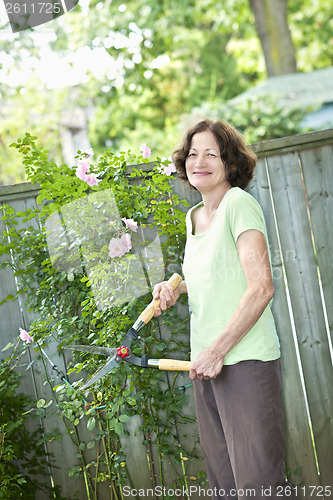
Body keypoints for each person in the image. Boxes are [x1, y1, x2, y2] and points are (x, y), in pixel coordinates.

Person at [152, 119, 298, 500]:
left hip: (244, 361)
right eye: (193, 153)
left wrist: (218, 351)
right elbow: (210, 272)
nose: (199, 161)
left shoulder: (239, 205)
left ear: (230, 162)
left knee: (258, 486)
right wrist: (173, 286)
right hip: (204, 365)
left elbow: (261, 287)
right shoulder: (196, 216)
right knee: (225, 486)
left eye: (211, 154)